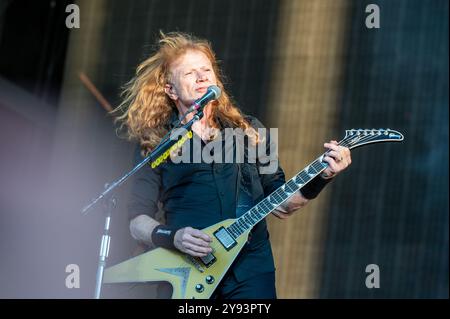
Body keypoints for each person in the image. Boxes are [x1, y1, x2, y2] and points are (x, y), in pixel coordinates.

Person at [112, 31, 351, 299]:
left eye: (206, 70)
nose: (202, 77)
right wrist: (173, 236)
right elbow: (136, 222)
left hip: (249, 271)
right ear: (171, 89)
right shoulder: (156, 142)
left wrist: (324, 175)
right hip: (187, 274)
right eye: (190, 73)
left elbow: (284, 204)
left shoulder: (250, 132)